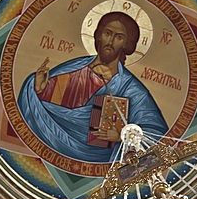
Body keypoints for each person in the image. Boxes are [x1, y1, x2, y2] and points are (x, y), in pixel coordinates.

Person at [17, 12, 168, 162]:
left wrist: (123, 136)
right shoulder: (74, 69)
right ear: (99, 35)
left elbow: (156, 133)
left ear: (126, 44)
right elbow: (46, 107)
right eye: (107, 33)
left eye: (119, 37)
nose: (111, 41)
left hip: (98, 160)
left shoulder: (131, 89)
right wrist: (39, 89)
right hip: (52, 143)